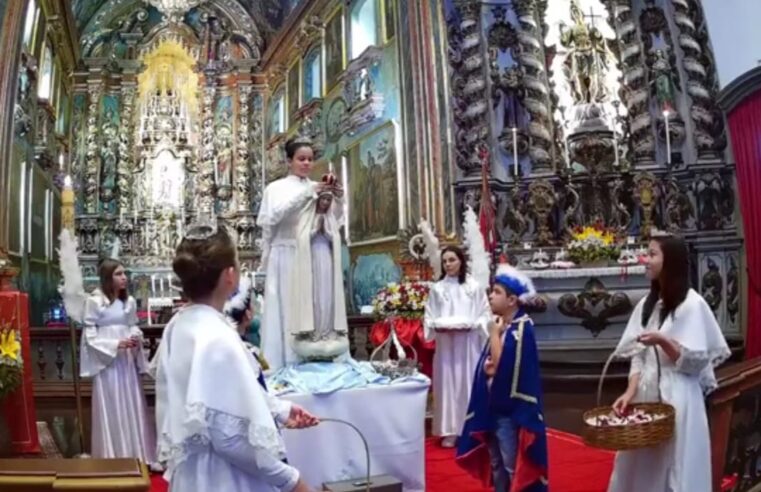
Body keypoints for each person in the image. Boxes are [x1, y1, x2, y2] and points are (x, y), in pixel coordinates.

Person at [153, 226, 319, 492]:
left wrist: (280, 410)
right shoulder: (218, 338)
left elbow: (215, 396)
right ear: (230, 275)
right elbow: (231, 439)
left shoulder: (179, 323)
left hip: (195, 474)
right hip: (224, 479)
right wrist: (293, 481)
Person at [607, 235, 731, 492]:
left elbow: (696, 363)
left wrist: (663, 341)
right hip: (646, 396)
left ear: (670, 261)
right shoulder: (646, 304)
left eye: (652, 255)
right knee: (640, 465)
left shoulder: (692, 305)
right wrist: (630, 392)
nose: (645, 260)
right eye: (646, 254)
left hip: (679, 397)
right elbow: (638, 354)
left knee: (676, 467)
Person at [457, 264, 548, 492]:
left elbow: (503, 367)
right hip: (492, 406)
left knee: (510, 463)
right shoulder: (502, 324)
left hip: (509, 411)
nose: (490, 296)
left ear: (512, 300)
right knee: (496, 462)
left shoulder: (521, 328)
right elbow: (495, 366)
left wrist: (494, 336)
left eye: (496, 292)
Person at [257, 136, 344, 369]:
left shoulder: (316, 186)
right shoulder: (275, 188)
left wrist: (336, 198)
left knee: (314, 305)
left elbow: (335, 221)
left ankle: (314, 358)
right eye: (301, 159)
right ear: (289, 161)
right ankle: (285, 362)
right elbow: (272, 217)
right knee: (288, 306)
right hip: (285, 253)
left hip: (313, 252)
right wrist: (306, 195)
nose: (306, 164)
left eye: (310, 159)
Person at [80, 259, 156, 465]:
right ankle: (112, 457)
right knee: (112, 404)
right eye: (118, 274)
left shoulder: (128, 302)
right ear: (107, 277)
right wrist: (115, 344)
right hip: (108, 363)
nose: (124, 278)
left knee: (131, 402)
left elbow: (133, 326)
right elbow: (89, 335)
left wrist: (134, 338)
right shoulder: (95, 302)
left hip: (126, 362)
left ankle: (138, 455)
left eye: (124, 274)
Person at [424, 246, 491, 448]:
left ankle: (472, 428)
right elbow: (429, 316)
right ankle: (450, 430)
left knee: (468, 383)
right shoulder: (437, 289)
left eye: (452, 260)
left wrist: (475, 325)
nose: (448, 264)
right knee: (447, 384)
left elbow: (485, 313)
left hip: (469, 344)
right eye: (445, 261)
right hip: (446, 346)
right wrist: (435, 327)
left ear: (461, 260)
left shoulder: (473, 287)